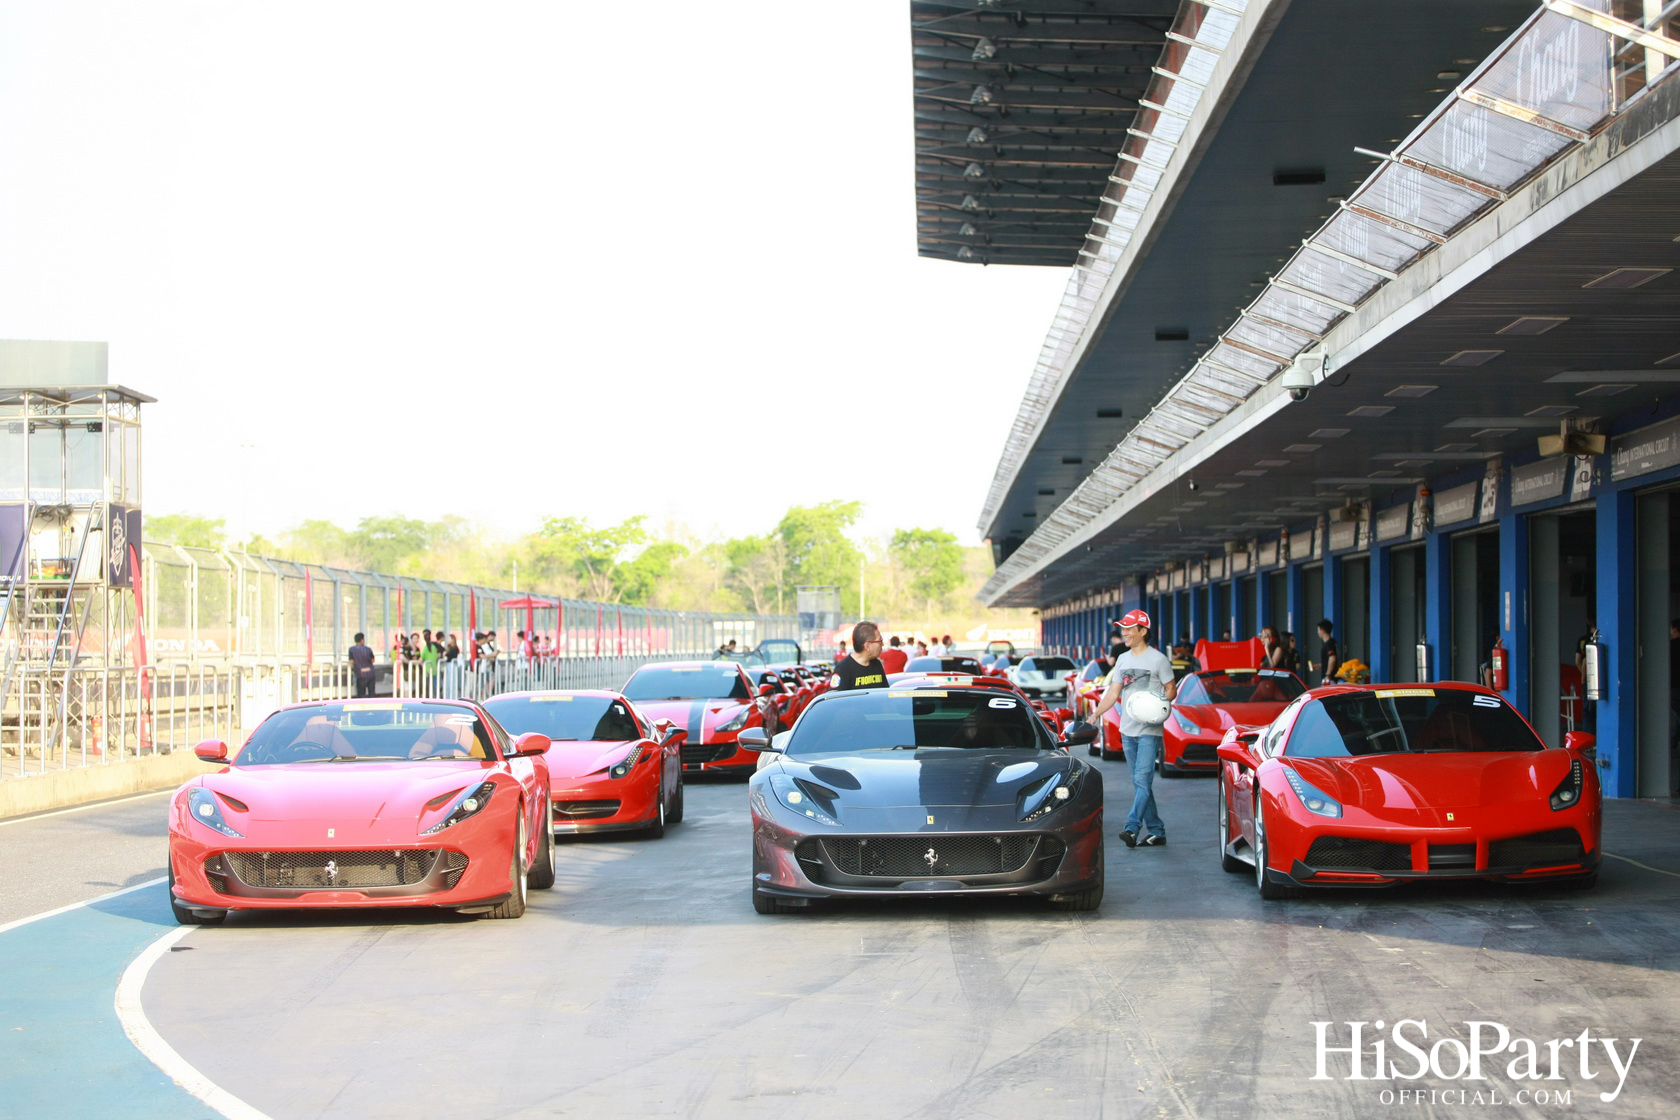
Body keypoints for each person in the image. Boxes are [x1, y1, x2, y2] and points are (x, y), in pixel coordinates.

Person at [1091, 609, 1176, 848]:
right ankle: (1157, 830)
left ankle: (1132, 827)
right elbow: (1114, 692)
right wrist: (1096, 714)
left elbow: (1171, 689)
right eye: (1123, 628)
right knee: (1141, 783)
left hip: (1149, 729)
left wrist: (1160, 700)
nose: (1125, 633)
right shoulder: (1123, 659)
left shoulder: (1158, 659)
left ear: (1143, 631)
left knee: (1142, 779)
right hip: (1127, 730)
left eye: (1130, 628)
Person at [830, 622, 889, 690]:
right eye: (880, 641)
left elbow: (885, 694)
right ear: (867, 646)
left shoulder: (877, 664)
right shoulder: (843, 669)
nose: (882, 644)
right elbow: (835, 698)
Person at [348, 632, 375, 698]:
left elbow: (351, 661)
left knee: (361, 694)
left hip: (360, 674)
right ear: (362, 640)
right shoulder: (368, 649)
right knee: (371, 694)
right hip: (370, 673)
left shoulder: (352, 649)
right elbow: (373, 660)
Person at [1316, 619, 1340, 686]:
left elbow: (1332, 659)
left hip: (1330, 679)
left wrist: (1328, 675)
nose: (1317, 632)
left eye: (1318, 630)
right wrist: (1319, 665)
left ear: (1322, 630)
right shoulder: (1331, 642)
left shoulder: (1329, 643)